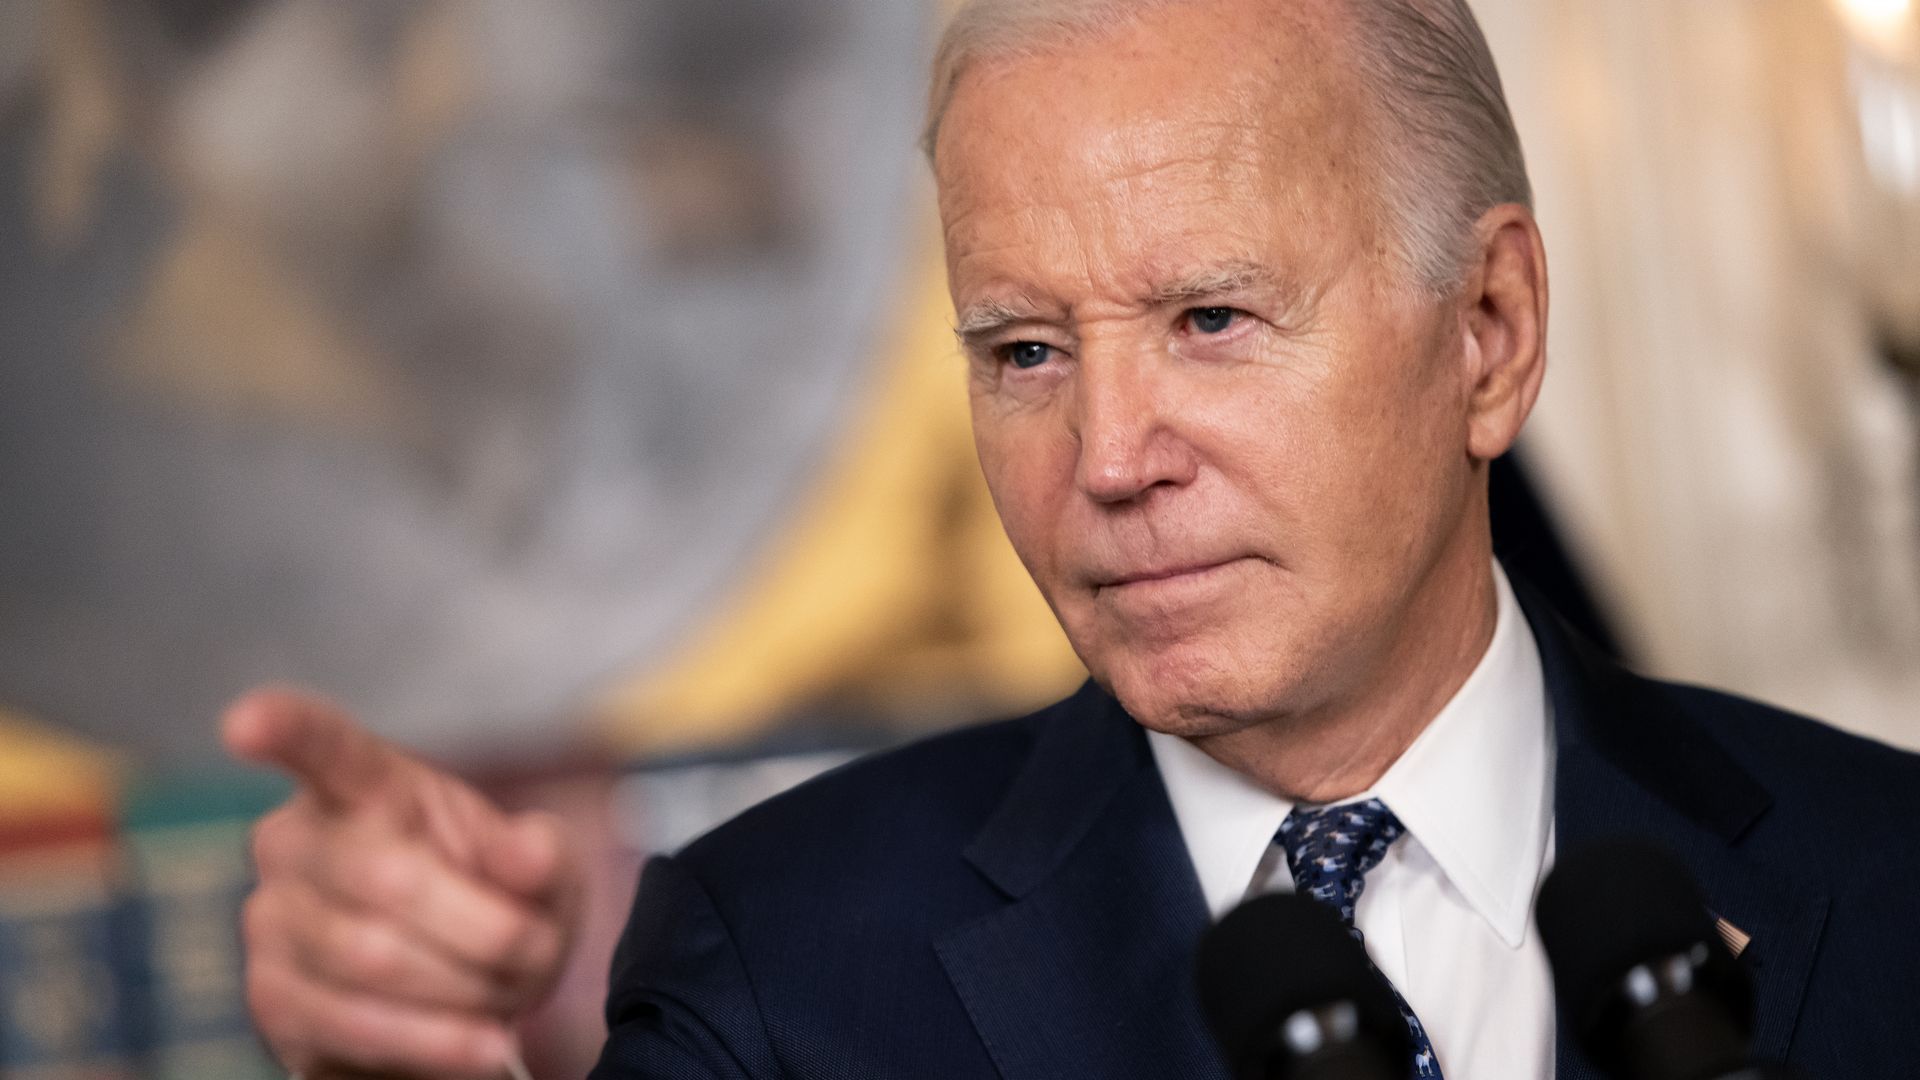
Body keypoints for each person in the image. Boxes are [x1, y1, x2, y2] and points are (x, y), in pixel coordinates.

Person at [224, 0, 1920, 1076]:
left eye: (1211, 318)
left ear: (1488, 330)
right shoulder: (783, 967)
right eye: (1024, 350)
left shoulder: (1890, 883)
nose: (1108, 459)